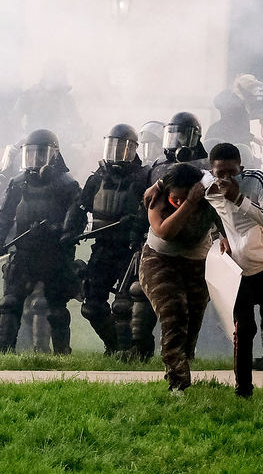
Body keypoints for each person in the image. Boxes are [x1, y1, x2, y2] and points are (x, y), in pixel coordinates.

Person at [204, 143, 263, 397]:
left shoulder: (256, 179)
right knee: (243, 329)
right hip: (239, 270)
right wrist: (219, 235)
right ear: (212, 172)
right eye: (220, 174)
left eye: (231, 173)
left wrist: (239, 199)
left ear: (241, 169)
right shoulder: (209, 189)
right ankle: (243, 390)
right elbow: (208, 213)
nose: (225, 180)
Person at [0, 129, 81, 354]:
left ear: (54, 155)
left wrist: (61, 230)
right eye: (31, 153)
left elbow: (76, 215)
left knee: (56, 307)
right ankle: (5, 351)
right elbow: (4, 215)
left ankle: (61, 354)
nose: (36, 159)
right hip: (24, 253)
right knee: (9, 303)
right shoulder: (18, 183)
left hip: (54, 254)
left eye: (41, 154)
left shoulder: (67, 185)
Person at [62, 124, 150, 354]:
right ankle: (114, 347)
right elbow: (80, 207)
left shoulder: (143, 177)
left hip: (129, 249)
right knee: (90, 306)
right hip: (102, 247)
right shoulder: (97, 177)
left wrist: (138, 223)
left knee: (123, 304)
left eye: (123, 147)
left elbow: (152, 209)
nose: (116, 152)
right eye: (112, 146)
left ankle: (128, 353)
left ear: (133, 150)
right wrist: (69, 231)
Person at [141, 163, 217, 393]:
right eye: (175, 198)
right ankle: (178, 382)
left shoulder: (209, 195)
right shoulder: (157, 198)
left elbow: (212, 174)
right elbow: (165, 231)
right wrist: (189, 203)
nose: (178, 202)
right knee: (174, 312)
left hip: (196, 262)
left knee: (192, 323)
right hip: (159, 259)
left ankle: (181, 364)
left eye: (184, 197)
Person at [207, 74, 263, 145]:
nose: (257, 89)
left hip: (230, 138)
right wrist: (252, 137)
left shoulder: (242, 102)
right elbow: (234, 126)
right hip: (227, 139)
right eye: (254, 87)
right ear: (247, 88)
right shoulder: (235, 104)